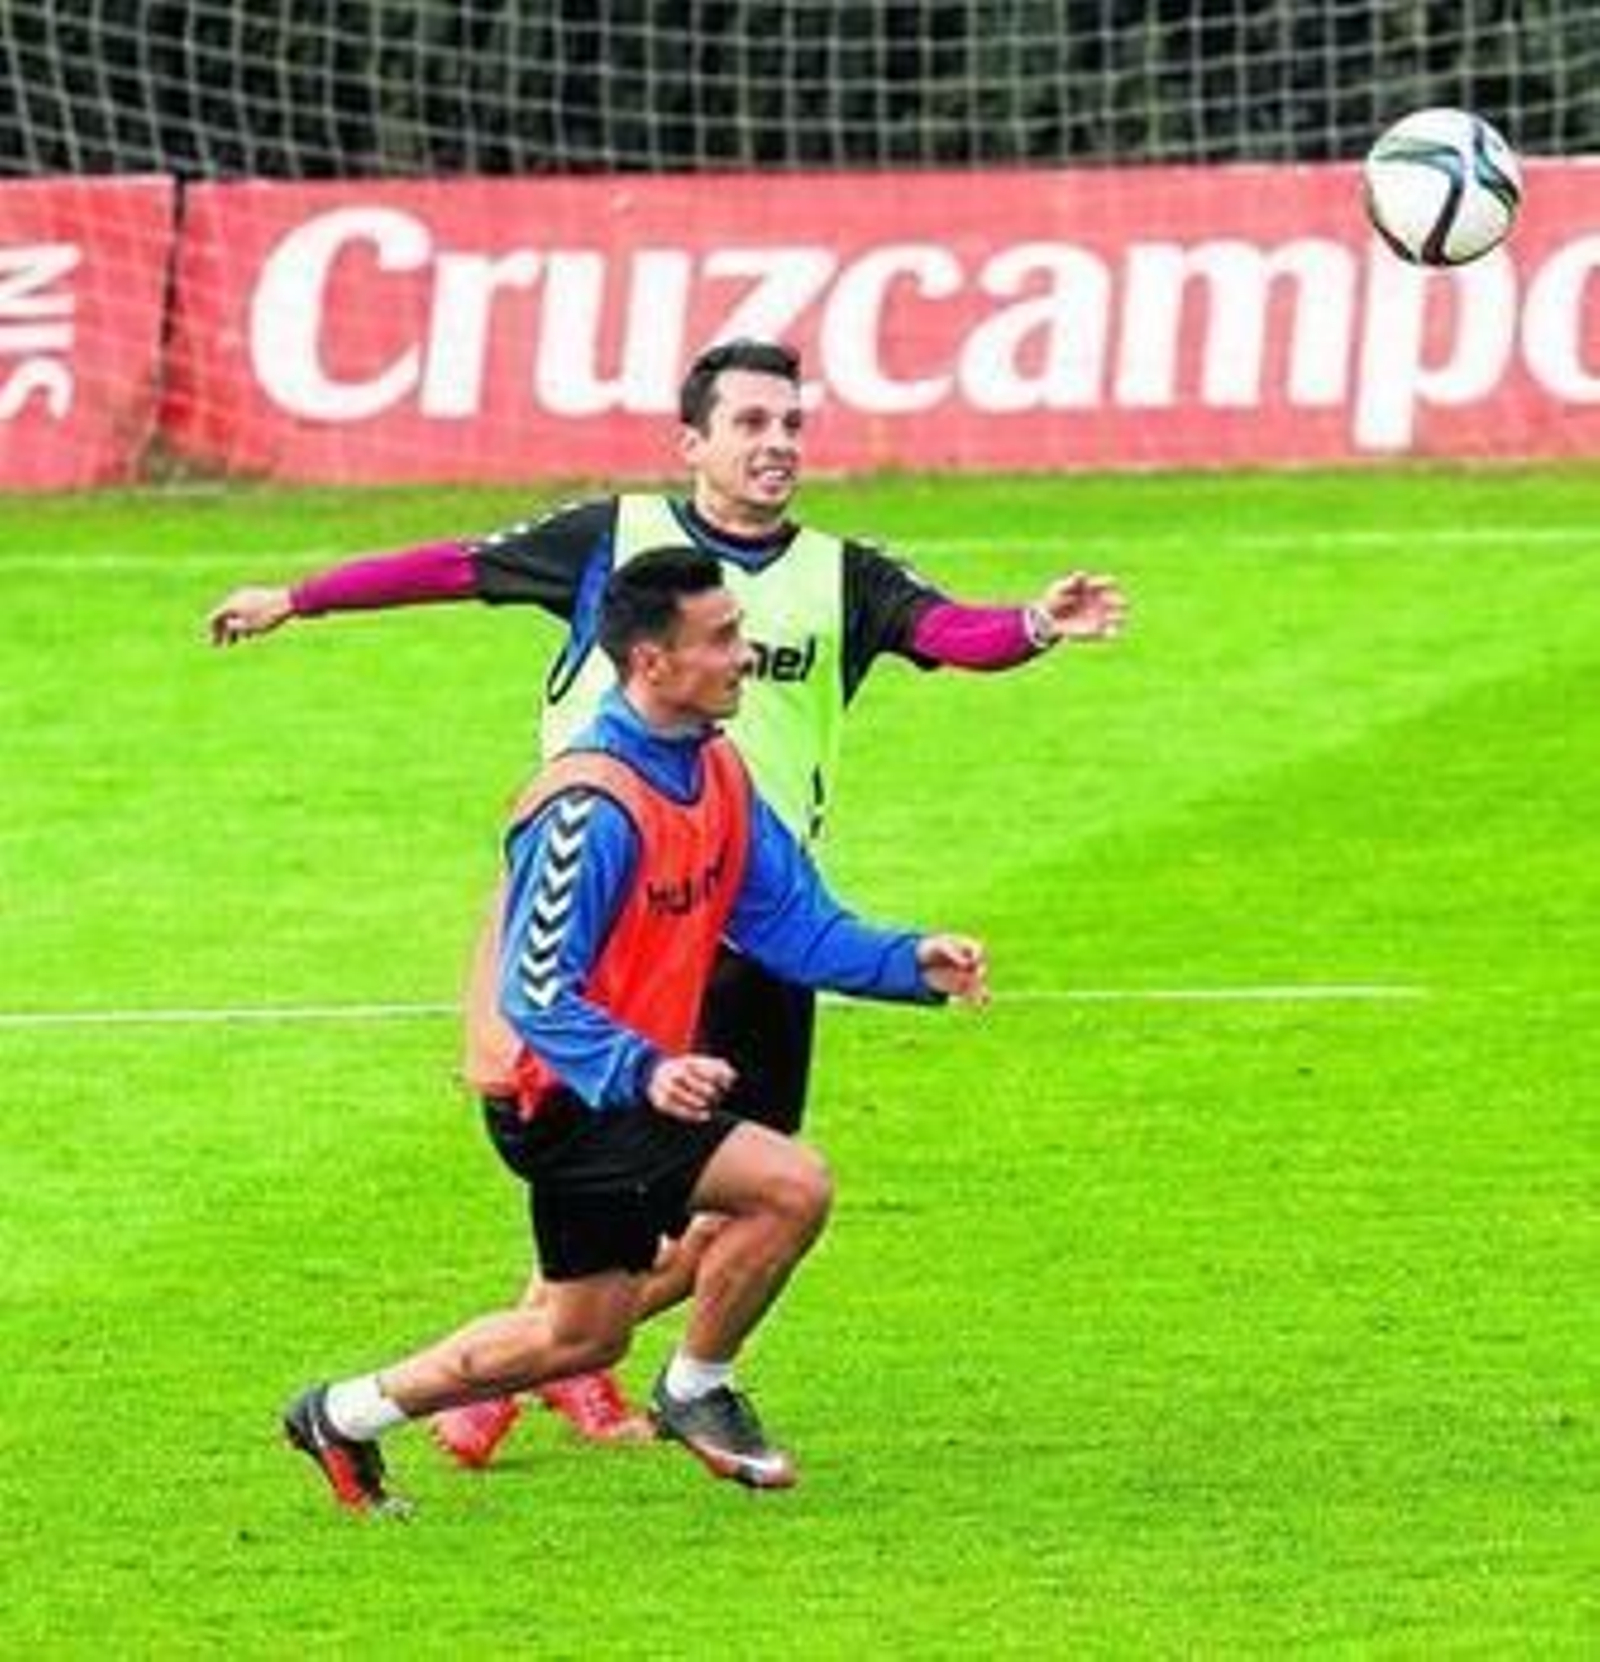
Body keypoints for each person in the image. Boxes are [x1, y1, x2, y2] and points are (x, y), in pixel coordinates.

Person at [213, 337, 1124, 1456]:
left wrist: (1035, 627)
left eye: (791, 424)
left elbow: (950, 634)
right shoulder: (615, 545)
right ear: (691, 442)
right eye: (749, 423)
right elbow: (453, 567)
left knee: (727, 1208)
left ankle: (545, 1360)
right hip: (617, 932)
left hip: (755, 915)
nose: (776, 444)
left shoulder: (840, 575)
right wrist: (299, 599)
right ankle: (548, 1370)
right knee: (725, 1179)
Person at [283, 548, 989, 1514]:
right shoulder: (590, 805)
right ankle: (698, 1390)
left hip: (615, 1085)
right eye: (724, 639)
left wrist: (909, 963)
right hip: (559, 1096)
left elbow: (791, 923)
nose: (746, 657)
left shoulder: (716, 769)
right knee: (790, 1186)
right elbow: (536, 989)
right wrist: (643, 1068)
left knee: (579, 1337)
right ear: (653, 663)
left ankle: (341, 1414)